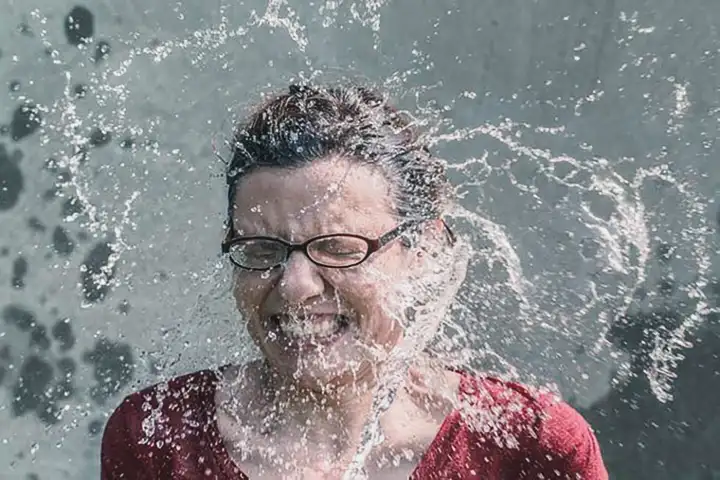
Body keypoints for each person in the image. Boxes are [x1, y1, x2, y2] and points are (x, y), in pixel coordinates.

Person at [101, 84, 608, 479]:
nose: (295, 286)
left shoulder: (531, 445)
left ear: (424, 250)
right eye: (261, 250)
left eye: (339, 248)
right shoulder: (157, 436)